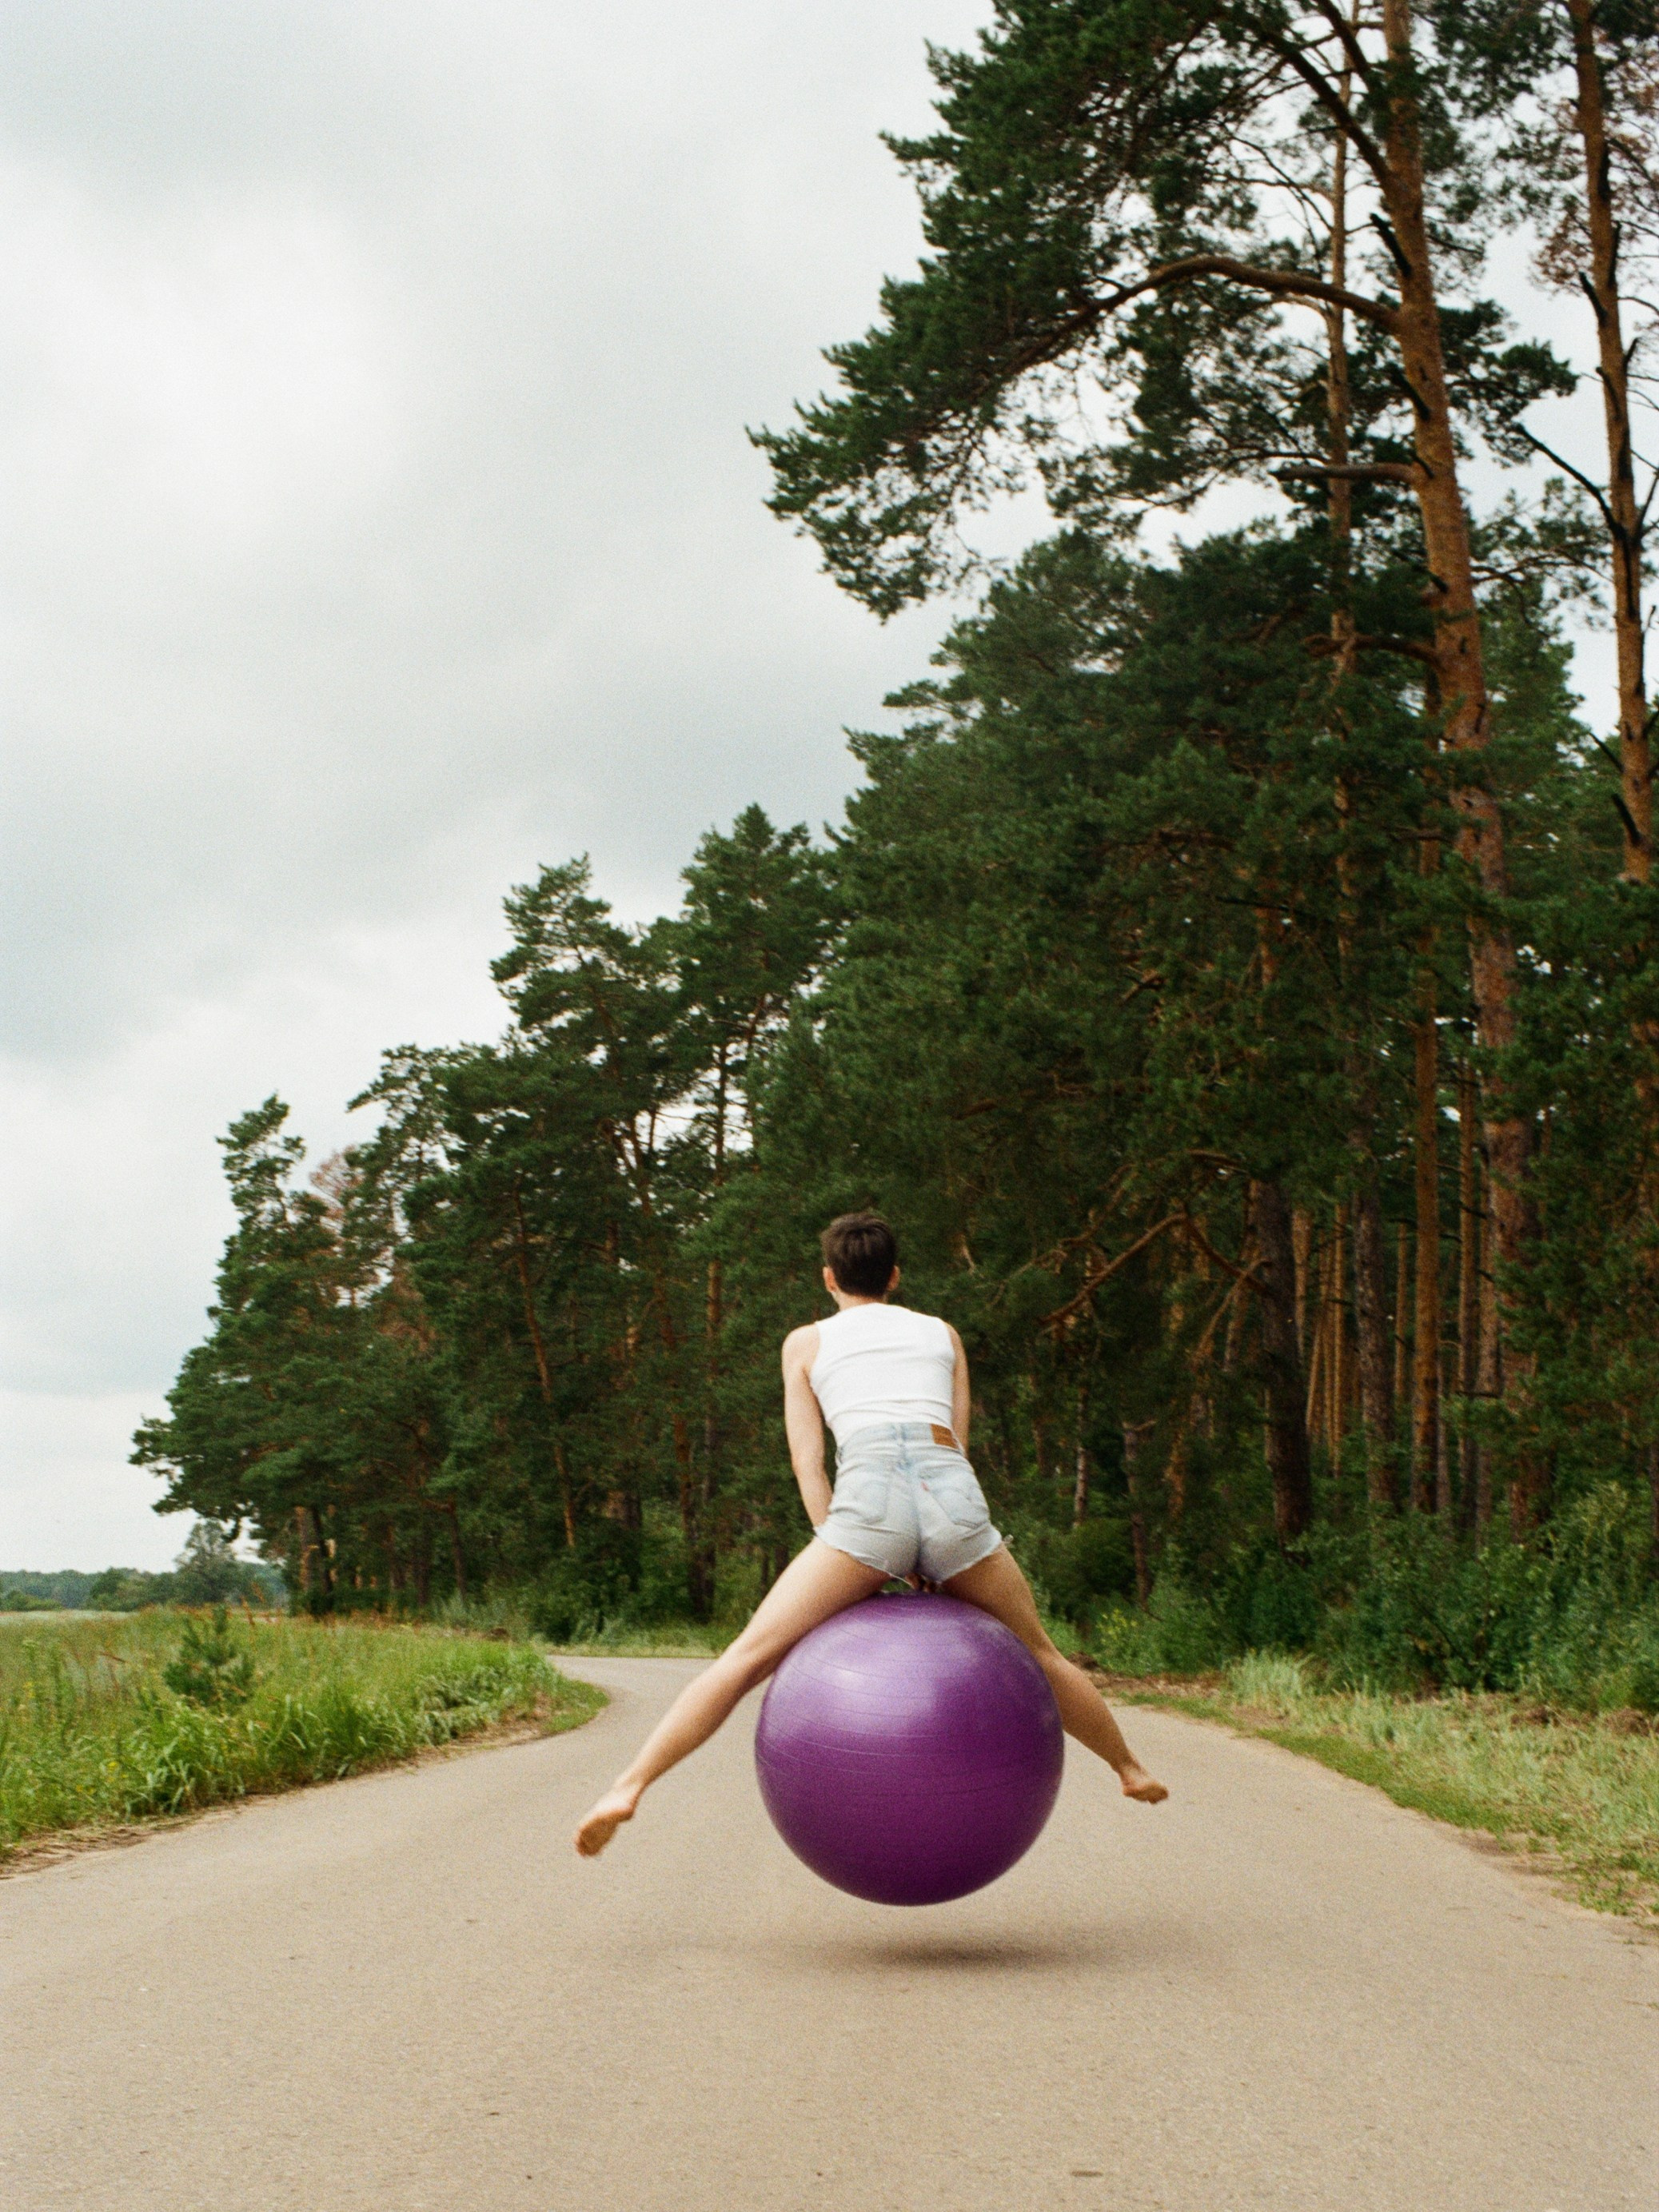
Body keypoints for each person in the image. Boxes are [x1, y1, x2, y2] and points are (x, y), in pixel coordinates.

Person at [574, 1210, 1166, 1856]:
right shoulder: (942, 1333)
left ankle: (627, 1787)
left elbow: (808, 1461)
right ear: (894, 1275)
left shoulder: (804, 1342)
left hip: (871, 1497)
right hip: (950, 1493)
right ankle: (1129, 1767)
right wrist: (932, 1550)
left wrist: (851, 1549)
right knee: (1042, 1653)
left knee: (745, 1658)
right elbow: (957, 1443)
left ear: (829, 1277)